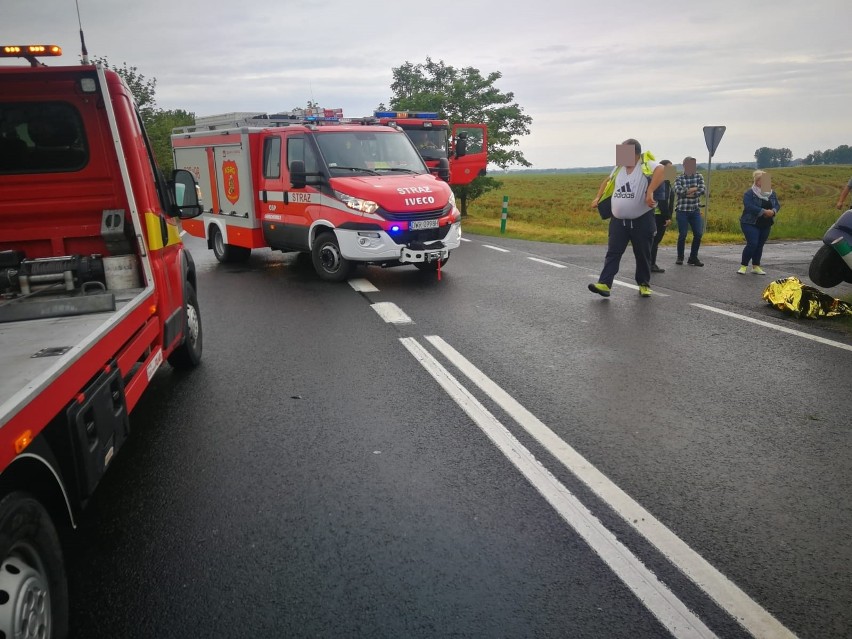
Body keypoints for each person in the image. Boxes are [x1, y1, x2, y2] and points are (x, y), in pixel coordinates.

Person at [589, 139, 664, 298]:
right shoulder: (618, 168)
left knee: (643, 254)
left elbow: (661, 170)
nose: (620, 156)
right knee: (613, 253)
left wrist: (650, 191)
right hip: (618, 221)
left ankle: (644, 284)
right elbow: (607, 181)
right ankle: (604, 284)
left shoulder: (646, 164)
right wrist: (598, 197)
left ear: (635, 153)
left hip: (641, 220)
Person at [738, 170, 780, 275]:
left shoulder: (771, 193)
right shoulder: (750, 193)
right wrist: (763, 211)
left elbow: (777, 205)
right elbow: (749, 206)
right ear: (757, 181)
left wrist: (773, 211)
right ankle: (743, 266)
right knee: (753, 243)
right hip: (749, 222)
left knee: (760, 245)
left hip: (766, 223)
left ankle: (756, 266)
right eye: (765, 180)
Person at [674, 157, 706, 266]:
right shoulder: (679, 178)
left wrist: (688, 192)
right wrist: (693, 189)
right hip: (682, 210)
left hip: (695, 210)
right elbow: (678, 191)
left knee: (698, 234)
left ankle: (693, 257)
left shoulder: (699, 176)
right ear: (684, 165)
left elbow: (702, 189)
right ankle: (680, 257)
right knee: (683, 234)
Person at [650, 159, 674, 273]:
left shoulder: (667, 182)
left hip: (658, 214)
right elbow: (663, 201)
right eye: (669, 167)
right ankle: (651, 264)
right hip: (658, 215)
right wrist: (667, 217)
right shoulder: (662, 181)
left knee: (654, 241)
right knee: (655, 240)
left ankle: (649, 263)